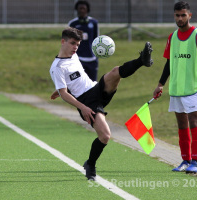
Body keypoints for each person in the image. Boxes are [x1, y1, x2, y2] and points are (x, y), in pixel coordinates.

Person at [50, 27, 153, 181]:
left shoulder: (74, 56)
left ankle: (142, 60)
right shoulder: (57, 67)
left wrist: (59, 90)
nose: (75, 47)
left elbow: (72, 81)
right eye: (72, 43)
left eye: (77, 45)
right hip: (86, 102)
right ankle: (90, 164)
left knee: (115, 72)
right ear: (62, 41)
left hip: (96, 89)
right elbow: (65, 93)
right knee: (105, 136)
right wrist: (81, 106)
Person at [153, 1, 197, 174]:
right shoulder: (172, 37)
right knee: (182, 125)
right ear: (174, 16)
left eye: (183, 15)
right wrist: (160, 84)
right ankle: (185, 160)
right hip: (176, 89)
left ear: (189, 15)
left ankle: (196, 161)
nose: (180, 18)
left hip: (193, 88)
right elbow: (169, 63)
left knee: (194, 123)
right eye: (177, 15)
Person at [68, 0, 99, 81]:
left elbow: (97, 40)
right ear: (77, 10)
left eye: (83, 8)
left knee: (93, 83)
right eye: (80, 8)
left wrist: (96, 56)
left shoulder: (94, 23)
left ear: (87, 10)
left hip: (92, 58)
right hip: (78, 58)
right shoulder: (72, 24)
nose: (81, 10)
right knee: (77, 82)